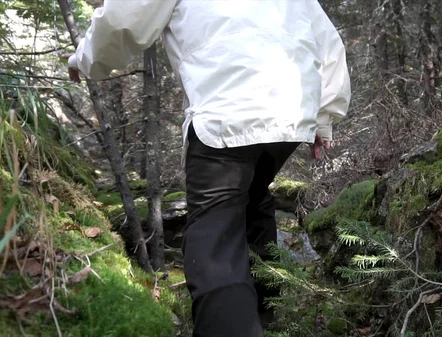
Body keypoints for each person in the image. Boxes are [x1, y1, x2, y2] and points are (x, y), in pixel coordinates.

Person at [67, 1, 351, 336]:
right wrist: (324, 116)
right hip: (291, 111)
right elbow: (327, 41)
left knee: (215, 238)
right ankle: (268, 317)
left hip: (229, 109)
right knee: (252, 200)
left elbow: (126, 15)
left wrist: (85, 58)